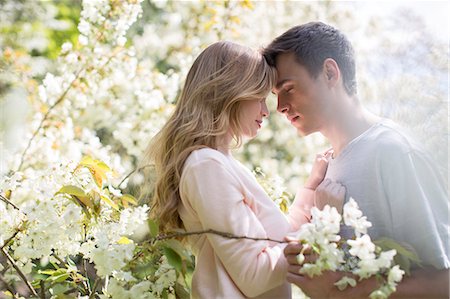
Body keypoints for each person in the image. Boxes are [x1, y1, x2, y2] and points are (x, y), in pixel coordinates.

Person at [144, 41, 345, 298]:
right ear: (230, 92)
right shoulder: (206, 166)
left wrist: (311, 186)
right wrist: (324, 228)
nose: (266, 111)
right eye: (259, 98)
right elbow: (255, 274)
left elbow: (281, 240)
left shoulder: (219, 163)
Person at [263, 21, 449, 298]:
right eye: (276, 96)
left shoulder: (392, 151)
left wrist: (339, 293)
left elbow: (444, 282)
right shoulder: (326, 169)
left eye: (288, 88)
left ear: (329, 72)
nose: (280, 107)